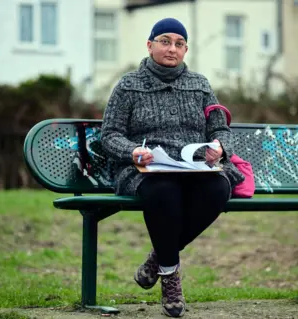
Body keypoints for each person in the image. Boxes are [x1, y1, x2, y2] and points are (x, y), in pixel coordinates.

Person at [100, 17, 244, 318]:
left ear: (186, 49)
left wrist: (219, 148)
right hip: (147, 170)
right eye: (165, 41)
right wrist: (133, 151)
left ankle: (157, 260)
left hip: (195, 169)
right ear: (150, 45)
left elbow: (221, 130)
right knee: (164, 192)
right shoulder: (129, 85)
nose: (172, 48)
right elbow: (110, 135)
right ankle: (170, 277)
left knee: (219, 188)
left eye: (179, 44)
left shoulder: (200, 84)